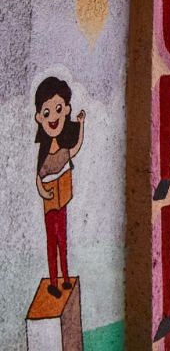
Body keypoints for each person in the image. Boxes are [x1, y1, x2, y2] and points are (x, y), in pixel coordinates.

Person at [34, 76, 86, 299]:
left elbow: (76, 147)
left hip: (61, 201)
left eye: (57, 109)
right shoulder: (43, 154)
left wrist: (81, 124)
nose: (52, 117)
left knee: (62, 241)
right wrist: (43, 191)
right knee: (51, 242)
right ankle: (54, 281)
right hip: (49, 204)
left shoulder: (64, 150)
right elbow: (39, 177)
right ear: (39, 117)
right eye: (47, 113)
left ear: (65, 110)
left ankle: (65, 278)